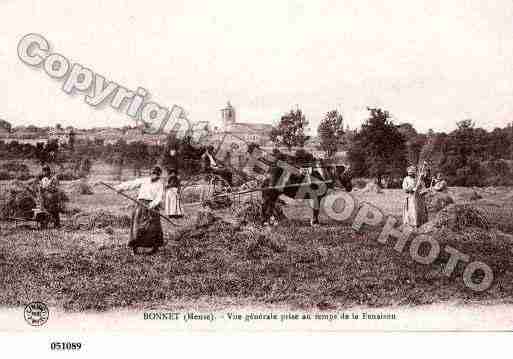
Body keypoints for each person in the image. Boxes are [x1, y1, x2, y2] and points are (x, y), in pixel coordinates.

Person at [115, 166, 164, 254]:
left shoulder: (160, 184)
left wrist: (152, 205)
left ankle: (154, 248)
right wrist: (120, 188)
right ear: (150, 173)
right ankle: (135, 247)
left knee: (153, 227)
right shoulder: (144, 180)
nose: (154, 175)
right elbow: (132, 184)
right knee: (137, 226)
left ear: (159, 175)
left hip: (152, 207)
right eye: (153, 173)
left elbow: (159, 198)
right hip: (140, 205)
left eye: (156, 174)